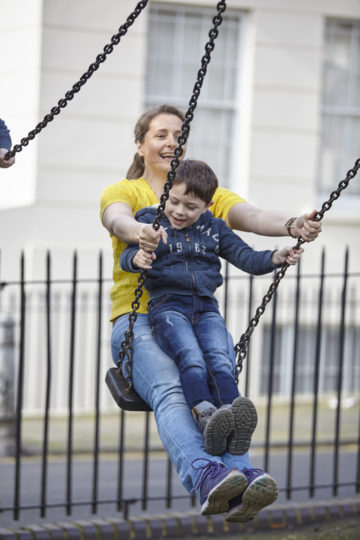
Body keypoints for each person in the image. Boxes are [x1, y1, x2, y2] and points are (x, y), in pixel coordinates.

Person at [100, 104, 321, 522]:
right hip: (141, 318)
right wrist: (141, 233)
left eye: (178, 135)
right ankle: (205, 474)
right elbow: (117, 220)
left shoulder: (205, 195)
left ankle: (239, 480)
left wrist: (293, 224)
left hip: (197, 313)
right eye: (160, 134)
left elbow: (251, 218)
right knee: (171, 387)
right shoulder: (127, 193)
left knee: (217, 385)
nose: (170, 142)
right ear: (141, 144)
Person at [120, 159, 303, 458]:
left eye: (190, 207)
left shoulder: (215, 228)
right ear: (165, 194)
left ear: (208, 205)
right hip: (168, 307)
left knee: (220, 358)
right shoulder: (151, 221)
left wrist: (276, 257)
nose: (179, 211)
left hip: (206, 308)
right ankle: (205, 415)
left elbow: (246, 257)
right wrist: (137, 258)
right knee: (191, 357)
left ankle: (232, 416)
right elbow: (127, 255)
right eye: (174, 201)